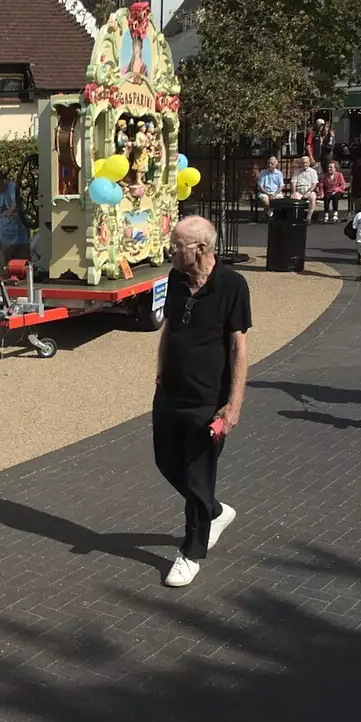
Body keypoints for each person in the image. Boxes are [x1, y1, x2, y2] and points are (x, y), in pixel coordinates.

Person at [154, 215, 250, 589]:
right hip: (169, 393)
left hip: (208, 401)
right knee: (165, 462)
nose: (171, 250)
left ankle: (191, 552)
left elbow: (239, 347)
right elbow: (170, 330)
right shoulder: (176, 279)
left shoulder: (232, 285)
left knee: (197, 475)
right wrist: (160, 372)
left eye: (177, 245)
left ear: (201, 249)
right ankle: (214, 511)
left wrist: (233, 404)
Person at [0, 170, 27, 272]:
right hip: (4, 238)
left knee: (22, 268)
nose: (0, 183)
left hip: (21, 236)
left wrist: (10, 211)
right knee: (4, 269)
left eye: (1, 179)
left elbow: (17, 202)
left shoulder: (12, 188)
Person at [293, 154, 321, 221]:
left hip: (309, 190)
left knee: (312, 197)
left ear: (309, 163)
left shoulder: (313, 172)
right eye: (303, 163)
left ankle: (309, 217)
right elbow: (293, 182)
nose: (304, 164)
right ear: (301, 164)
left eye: (306, 163)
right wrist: (294, 192)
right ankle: (297, 217)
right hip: (299, 190)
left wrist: (308, 192)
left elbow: (314, 184)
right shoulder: (296, 172)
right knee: (294, 198)